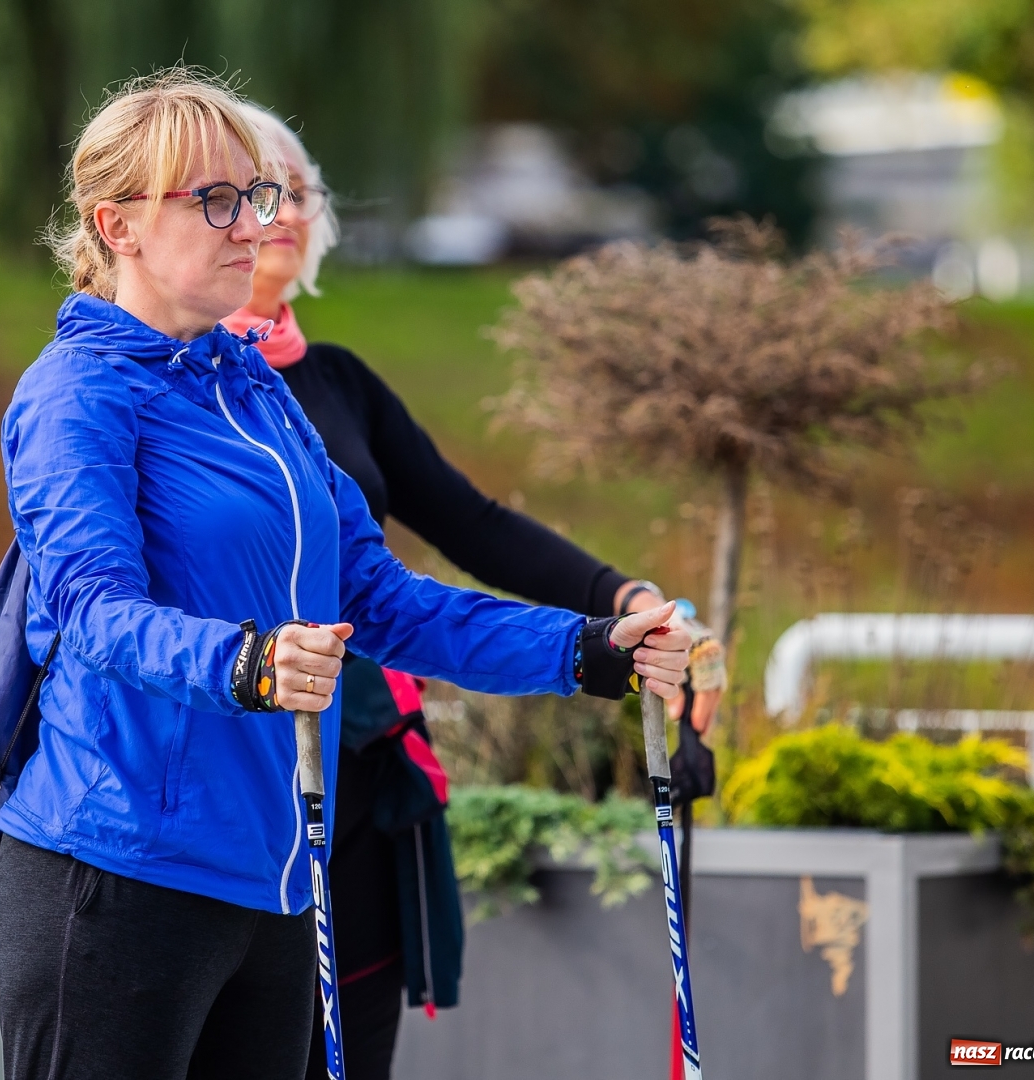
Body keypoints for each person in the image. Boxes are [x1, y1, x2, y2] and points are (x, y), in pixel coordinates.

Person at [0, 68, 693, 1080]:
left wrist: (585, 650)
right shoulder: (76, 394)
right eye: (214, 200)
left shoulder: (259, 397)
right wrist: (249, 663)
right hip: (115, 872)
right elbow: (92, 612)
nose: (251, 225)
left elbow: (379, 600)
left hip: (275, 882)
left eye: (259, 196)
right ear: (119, 226)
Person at [220, 106, 726, 1080]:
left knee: (354, 1049)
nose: (278, 209)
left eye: (298, 188)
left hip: (362, 762)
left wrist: (624, 599)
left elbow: (472, 524)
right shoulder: (187, 390)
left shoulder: (338, 381)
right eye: (249, 188)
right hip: (247, 758)